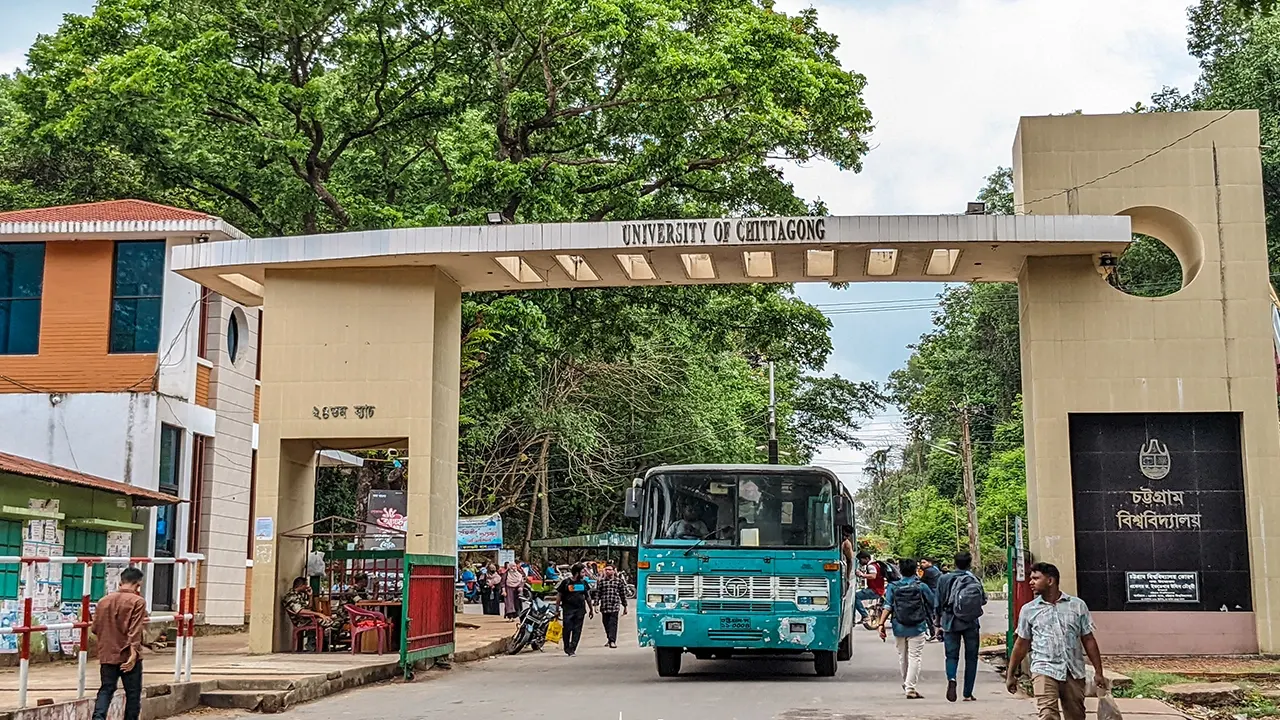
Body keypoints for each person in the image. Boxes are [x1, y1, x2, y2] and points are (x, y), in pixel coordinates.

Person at [1006, 562, 1106, 720]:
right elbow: (1021, 643)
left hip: (1073, 671)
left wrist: (1099, 672)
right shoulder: (1028, 610)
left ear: (1050, 580)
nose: (1031, 582)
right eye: (1030, 578)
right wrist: (1010, 673)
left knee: (1076, 716)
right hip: (1043, 668)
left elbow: (1088, 639)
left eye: (1036, 578)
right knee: (1047, 715)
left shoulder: (1077, 606)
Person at [91, 566, 148, 720]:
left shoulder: (103, 601)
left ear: (121, 581)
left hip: (108, 653)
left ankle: (98, 717)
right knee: (133, 694)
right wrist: (133, 654)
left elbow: (95, 628)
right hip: (128, 654)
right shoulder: (138, 601)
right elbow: (134, 630)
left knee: (106, 689)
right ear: (138, 584)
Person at [878, 558, 936, 699]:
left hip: (899, 626)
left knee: (902, 657)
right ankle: (910, 687)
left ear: (900, 570)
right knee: (915, 657)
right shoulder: (921, 586)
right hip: (918, 626)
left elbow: (888, 606)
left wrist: (881, 624)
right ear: (915, 570)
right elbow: (934, 603)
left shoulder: (893, 586)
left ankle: (907, 683)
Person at [937, 552, 987, 702]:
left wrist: (937, 623)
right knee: (971, 657)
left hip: (950, 621)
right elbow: (983, 600)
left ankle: (952, 678)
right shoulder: (973, 579)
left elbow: (937, 603)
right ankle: (968, 692)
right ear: (969, 563)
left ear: (954, 563)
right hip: (971, 622)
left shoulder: (944, 579)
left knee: (951, 656)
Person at [556, 563, 594, 656]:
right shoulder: (566, 582)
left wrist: (591, 609)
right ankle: (567, 647)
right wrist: (557, 609)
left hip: (580, 610)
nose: (584, 574)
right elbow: (559, 596)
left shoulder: (584, 583)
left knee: (577, 630)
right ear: (577, 573)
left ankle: (572, 648)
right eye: (582, 572)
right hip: (568, 610)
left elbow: (587, 597)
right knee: (567, 629)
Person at [594, 563, 628, 648]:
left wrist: (625, 606)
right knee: (606, 623)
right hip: (604, 606)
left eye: (609, 569)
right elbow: (598, 593)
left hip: (614, 605)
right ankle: (609, 639)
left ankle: (612, 641)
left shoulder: (618, 581)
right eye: (606, 570)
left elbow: (622, 594)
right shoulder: (601, 582)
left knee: (613, 623)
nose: (607, 571)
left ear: (614, 571)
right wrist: (596, 605)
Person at [853, 551, 885, 624]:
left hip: (875, 590)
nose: (860, 562)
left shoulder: (871, 566)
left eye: (861, 560)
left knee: (855, 596)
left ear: (866, 558)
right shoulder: (876, 564)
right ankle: (863, 616)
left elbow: (873, 576)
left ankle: (865, 615)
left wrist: (862, 575)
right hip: (877, 589)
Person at [918, 558, 943, 641]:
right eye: (921, 563)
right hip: (938, 594)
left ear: (930, 563)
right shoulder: (935, 569)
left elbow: (920, 581)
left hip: (931, 594)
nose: (922, 564)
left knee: (929, 614)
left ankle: (934, 634)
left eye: (924, 562)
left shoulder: (928, 571)